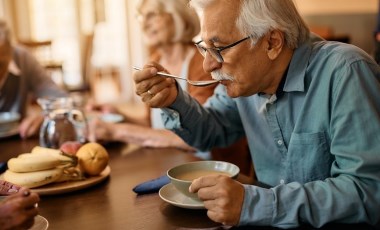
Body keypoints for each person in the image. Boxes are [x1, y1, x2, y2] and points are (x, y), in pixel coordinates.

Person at [132, 0, 380, 228]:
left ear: (272, 42)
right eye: (204, 48)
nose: (208, 66)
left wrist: (255, 204)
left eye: (218, 48)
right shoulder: (249, 82)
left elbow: (368, 191)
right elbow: (211, 129)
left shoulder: (345, 72)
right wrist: (174, 100)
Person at [87, 0, 251, 174]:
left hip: (209, 169)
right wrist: (120, 115)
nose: (144, 23)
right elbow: (157, 125)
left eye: (152, 15)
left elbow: (188, 136)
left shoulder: (203, 62)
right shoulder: (155, 60)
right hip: (170, 164)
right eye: (141, 17)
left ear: (177, 16)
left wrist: (117, 131)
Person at [0, 20, 67, 139]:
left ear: (10, 51)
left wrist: (47, 115)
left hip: (18, 141)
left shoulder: (23, 58)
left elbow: (61, 99)